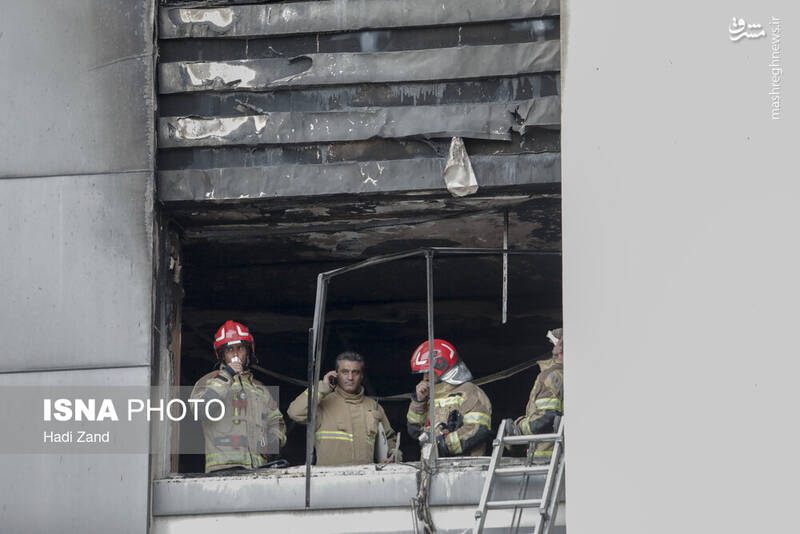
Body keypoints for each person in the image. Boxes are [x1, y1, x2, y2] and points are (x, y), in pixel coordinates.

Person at [190, 320, 286, 472]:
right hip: (223, 470)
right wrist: (227, 376)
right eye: (229, 350)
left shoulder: (260, 388)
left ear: (248, 351)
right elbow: (200, 410)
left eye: (240, 348)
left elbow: (277, 421)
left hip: (259, 470)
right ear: (222, 355)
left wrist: (274, 439)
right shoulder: (207, 381)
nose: (235, 354)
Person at [287, 351, 399, 466]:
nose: (350, 377)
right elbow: (295, 413)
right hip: (330, 480)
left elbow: (390, 439)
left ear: (362, 376)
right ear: (336, 374)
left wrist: (394, 454)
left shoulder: (374, 406)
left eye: (355, 372)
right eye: (345, 372)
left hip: (365, 479)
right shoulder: (322, 403)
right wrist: (322, 387)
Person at [406, 339, 492, 456]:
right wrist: (419, 402)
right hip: (432, 469)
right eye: (423, 372)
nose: (425, 377)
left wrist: (443, 444)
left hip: (467, 468)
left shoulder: (468, 391)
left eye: (428, 371)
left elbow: (478, 429)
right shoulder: (429, 397)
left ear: (443, 368)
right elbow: (415, 432)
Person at [513, 327, 564, 464]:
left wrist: (518, 427)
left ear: (560, 348)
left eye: (551, 345)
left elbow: (546, 418)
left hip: (546, 460)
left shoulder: (549, 376)